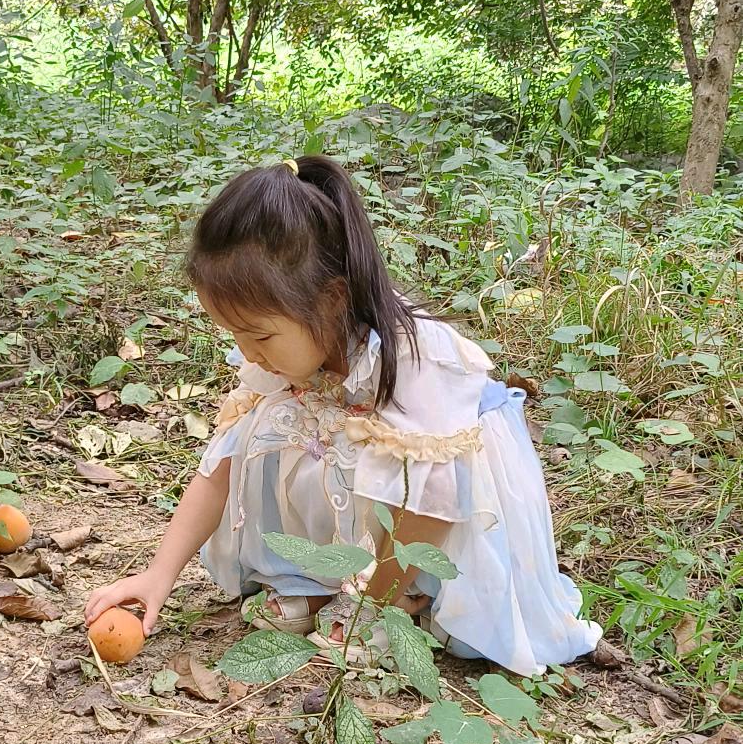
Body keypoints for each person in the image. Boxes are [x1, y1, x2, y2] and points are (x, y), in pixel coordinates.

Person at [85, 155, 602, 676]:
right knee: (266, 428)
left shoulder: (414, 359)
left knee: (334, 444)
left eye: (259, 336)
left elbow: (434, 502)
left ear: (332, 300)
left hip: (445, 506)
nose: (248, 353)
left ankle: (395, 595)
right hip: (379, 466)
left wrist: (371, 608)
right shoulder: (286, 352)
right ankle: (317, 581)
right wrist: (158, 576)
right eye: (234, 336)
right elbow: (221, 465)